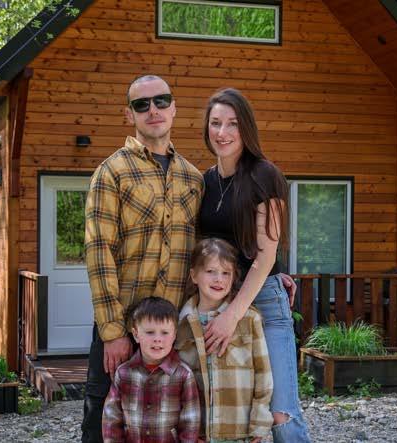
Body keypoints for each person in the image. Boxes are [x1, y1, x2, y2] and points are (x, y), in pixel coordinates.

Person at [82, 75, 204, 442]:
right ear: (129, 114)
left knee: (171, 421)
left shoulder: (193, 179)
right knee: (104, 420)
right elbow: (98, 252)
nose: (153, 110)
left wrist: (275, 272)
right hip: (124, 326)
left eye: (161, 101)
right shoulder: (111, 173)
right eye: (142, 104)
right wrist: (113, 332)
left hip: (173, 330)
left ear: (174, 108)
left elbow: (208, 249)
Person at [196, 88, 311, 442]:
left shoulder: (265, 176)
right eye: (215, 123)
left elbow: (266, 255)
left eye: (232, 123)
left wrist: (231, 317)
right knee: (234, 412)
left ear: (246, 127)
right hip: (218, 302)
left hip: (262, 303)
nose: (222, 132)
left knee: (280, 411)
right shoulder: (204, 182)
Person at [175, 238, 272, 443]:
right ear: (194, 275)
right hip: (199, 433)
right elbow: (176, 383)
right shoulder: (180, 324)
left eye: (226, 273)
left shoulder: (249, 319)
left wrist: (260, 422)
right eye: (211, 271)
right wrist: (186, 429)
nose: (219, 279)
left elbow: (263, 374)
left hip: (239, 431)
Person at [102, 297, 201, 443]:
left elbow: (190, 422)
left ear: (174, 335)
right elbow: (111, 418)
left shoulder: (183, 375)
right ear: (136, 334)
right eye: (150, 332)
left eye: (164, 332)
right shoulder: (123, 373)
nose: (157, 339)